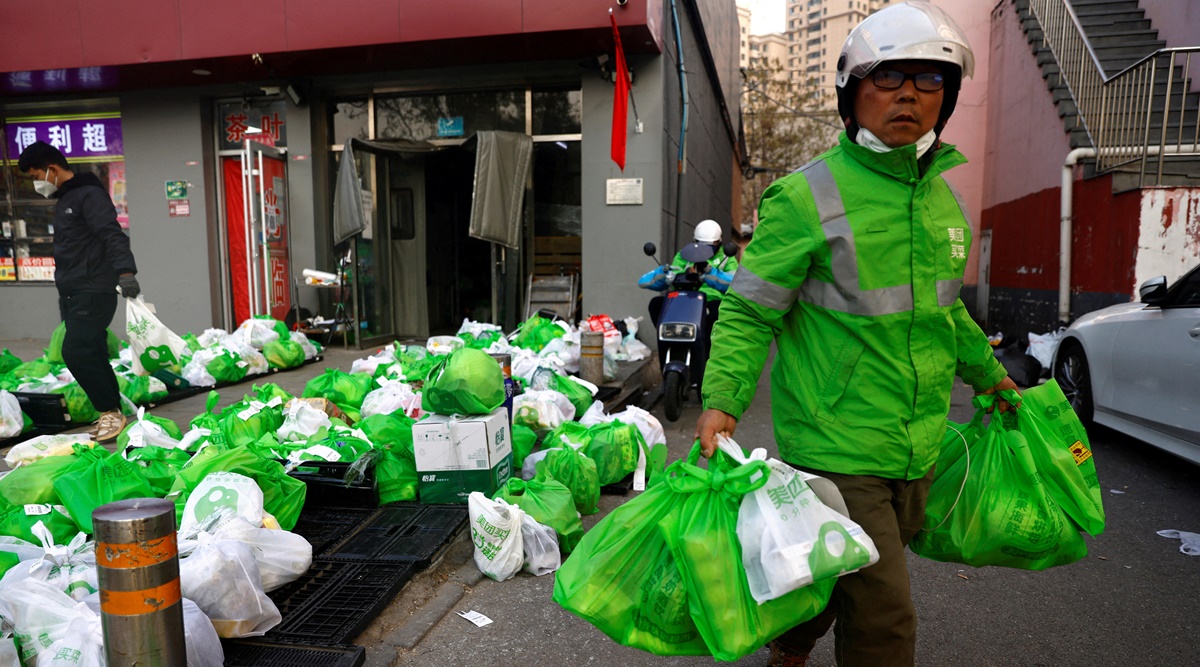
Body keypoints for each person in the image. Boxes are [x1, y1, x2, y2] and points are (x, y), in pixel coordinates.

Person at [693, 3, 1019, 666]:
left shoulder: (940, 200)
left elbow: (945, 311)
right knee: (885, 616)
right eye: (889, 76)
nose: (908, 93)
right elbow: (753, 309)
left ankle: (791, 642)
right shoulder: (804, 196)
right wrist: (723, 397)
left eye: (930, 80)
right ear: (851, 92)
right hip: (836, 445)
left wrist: (991, 374)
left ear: (947, 98)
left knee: (840, 574)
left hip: (915, 442)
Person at [18, 141, 140, 443]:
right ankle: (110, 412)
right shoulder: (66, 199)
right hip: (73, 292)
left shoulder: (89, 195)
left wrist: (126, 273)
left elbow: (112, 234)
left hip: (94, 289)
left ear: (53, 169)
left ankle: (110, 410)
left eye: (36, 175)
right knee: (94, 352)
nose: (37, 183)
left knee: (76, 350)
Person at [639, 219, 739, 326]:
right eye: (700, 246)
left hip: (711, 300)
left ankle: (708, 342)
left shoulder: (727, 258)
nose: (705, 250)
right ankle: (666, 338)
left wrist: (711, 274)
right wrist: (676, 274)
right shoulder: (684, 255)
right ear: (694, 242)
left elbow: (735, 284)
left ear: (719, 243)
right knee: (656, 304)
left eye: (710, 247)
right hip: (683, 298)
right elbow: (673, 272)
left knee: (718, 310)